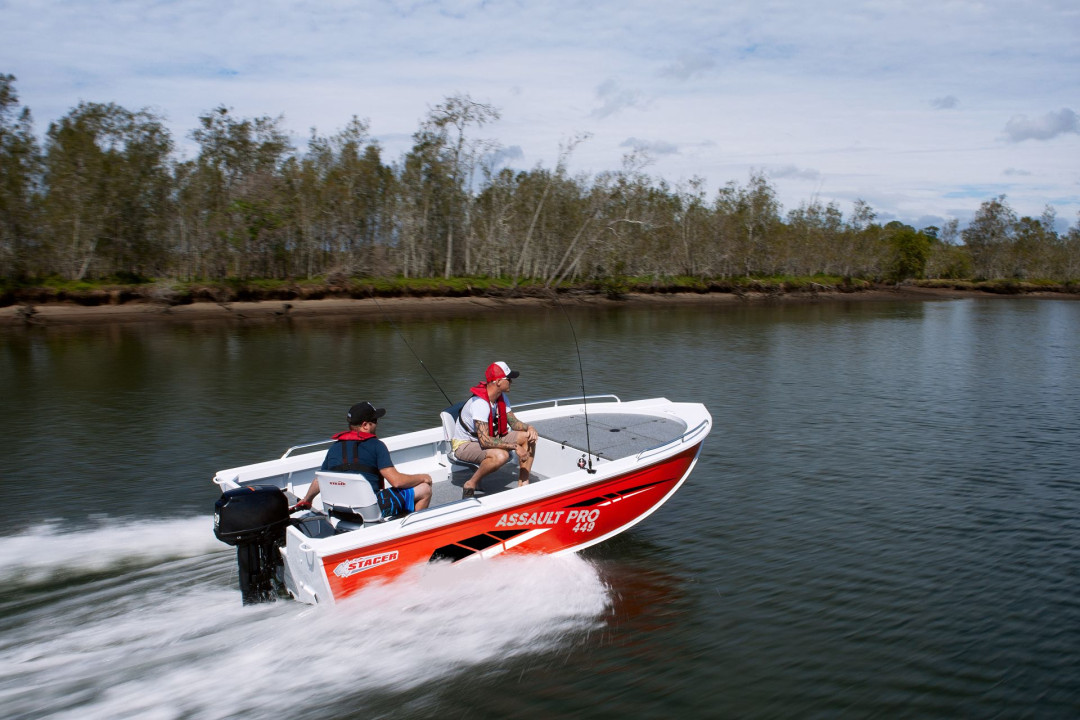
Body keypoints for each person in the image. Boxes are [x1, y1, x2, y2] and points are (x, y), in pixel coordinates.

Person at [293, 401, 432, 513]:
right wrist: (423, 477)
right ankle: (407, 530)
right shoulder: (376, 445)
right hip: (370, 510)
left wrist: (307, 499)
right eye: (375, 420)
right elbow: (397, 481)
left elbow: (319, 480)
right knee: (424, 489)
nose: (377, 423)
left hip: (338, 511)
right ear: (365, 425)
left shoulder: (334, 448)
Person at [452, 361, 539, 498]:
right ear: (498, 381)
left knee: (529, 436)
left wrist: (530, 427)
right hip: (465, 444)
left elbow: (514, 422)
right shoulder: (480, 404)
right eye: (509, 379)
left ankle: (524, 482)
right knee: (501, 455)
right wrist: (515, 446)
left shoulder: (501, 397)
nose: (512, 382)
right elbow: (485, 441)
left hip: (490, 437)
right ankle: (471, 484)